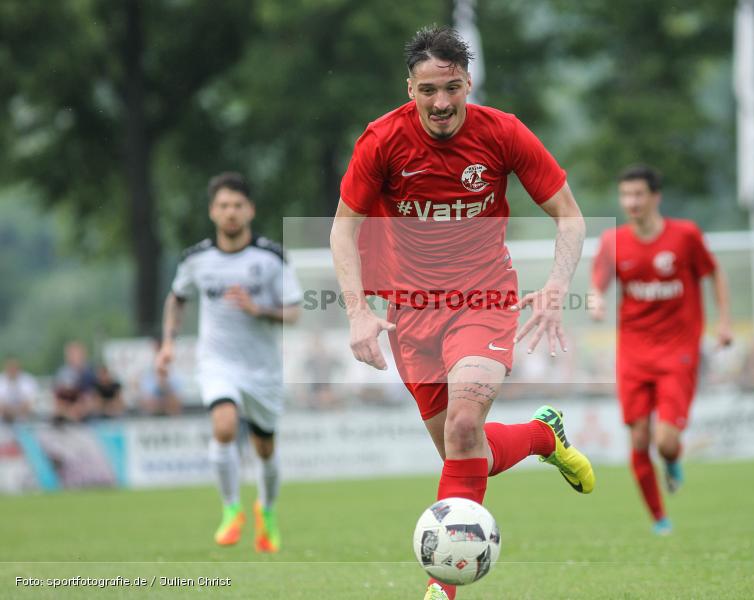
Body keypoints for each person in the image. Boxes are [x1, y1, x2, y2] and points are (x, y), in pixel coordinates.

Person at [330, 26, 595, 600]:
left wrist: (556, 285)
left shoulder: (502, 133)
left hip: (484, 300)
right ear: (410, 89)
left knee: (464, 426)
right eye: (428, 90)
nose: (441, 102)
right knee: (464, 451)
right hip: (410, 314)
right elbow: (342, 230)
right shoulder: (382, 140)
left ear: (468, 83)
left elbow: (569, 216)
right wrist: (357, 312)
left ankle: (441, 587)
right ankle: (542, 436)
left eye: (451, 87)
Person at [155, 172, 302, 553]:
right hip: (216, 362)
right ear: (212, 211)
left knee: (265, 448)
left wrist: (259, 309)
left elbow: (294, 312)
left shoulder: (270, 257)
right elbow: (177, 298)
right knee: (223, 425)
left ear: (250, 210)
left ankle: (265, 510)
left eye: (237, 205)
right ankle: (231, 509)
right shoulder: (196, 259)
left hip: (263, 369)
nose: (231, 212)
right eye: (223, 206)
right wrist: (168, 344)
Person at [590, 164, 732, 535]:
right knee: (638, 438)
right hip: (633, 353)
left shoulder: (685, 236)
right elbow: (598, 281)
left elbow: (714, 273)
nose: (631, 202)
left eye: (638, 194)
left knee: (665, 441)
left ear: (656, 197)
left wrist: (724, 322)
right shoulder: (613, 241)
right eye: (626, 195)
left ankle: (672, 459)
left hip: (678, 351)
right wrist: (595, 300)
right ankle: (659, 518)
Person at [53, 340, 99, 423]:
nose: (74, 357)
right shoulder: (62, 374)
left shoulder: (90, 373)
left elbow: (93, 397)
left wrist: (81, 408)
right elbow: (58, 398)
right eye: (71, 354)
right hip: (68, 413)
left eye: (76, 354)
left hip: (87, 414)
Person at [140, 337, 183, 416]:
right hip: (153, 410)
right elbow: (147, 398)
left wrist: (164, 382)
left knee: (173, 401)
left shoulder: (175, 371)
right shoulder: (147, 372)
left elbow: (177, 399)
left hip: (170, 411)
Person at [0, 357, 39, 423]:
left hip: (25, 419)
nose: (12, 369)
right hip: (3, 419)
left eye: (14, 367)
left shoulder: (28, 381)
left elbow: (31, 402)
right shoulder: (1, 381)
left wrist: (16, 412)